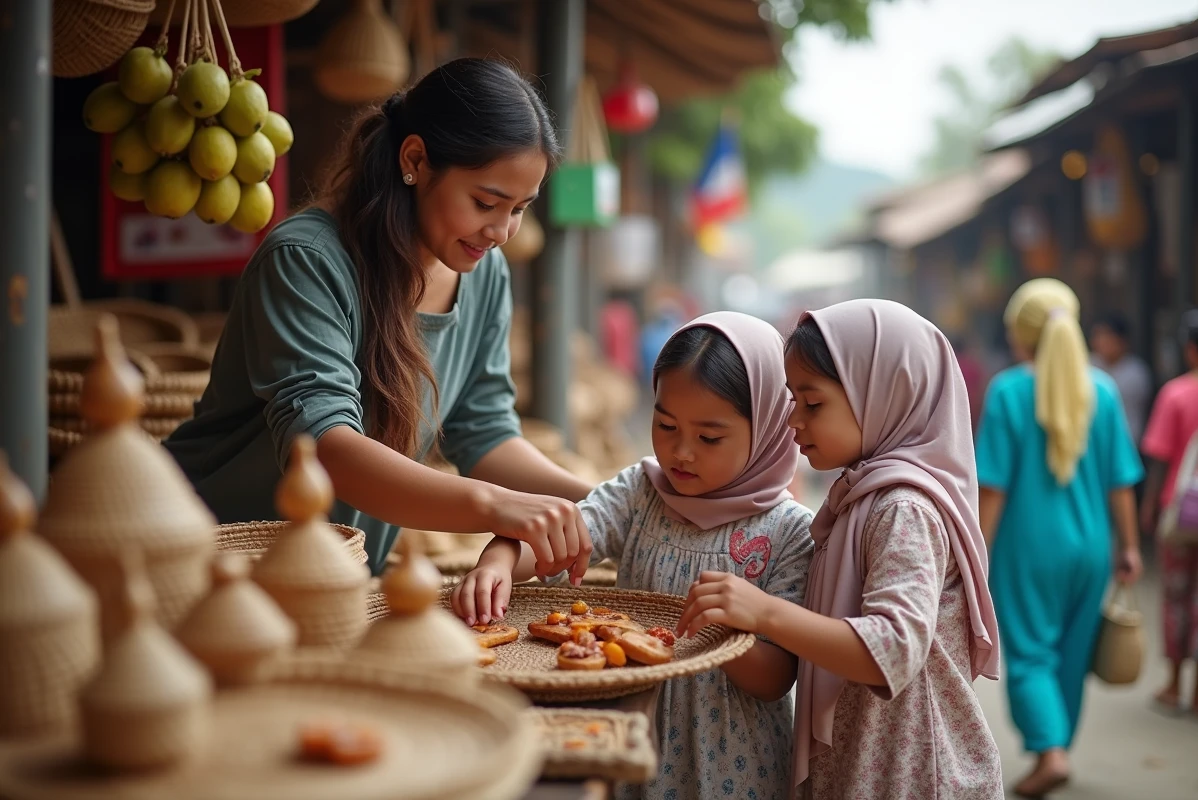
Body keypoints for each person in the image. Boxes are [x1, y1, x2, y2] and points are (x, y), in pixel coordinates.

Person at [165, 59, 594, 578]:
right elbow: (325, 450)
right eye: (485, 202)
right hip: (208, 563)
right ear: (416, 159)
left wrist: (613, 501)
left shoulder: (485, 275)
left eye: (520, 208)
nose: (502, 231)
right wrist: (497, 506)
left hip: (336, 577)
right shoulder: (306, 259)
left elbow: (484, 434)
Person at [452, 312, 815, 800]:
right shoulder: (641, 493)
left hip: (732, 758)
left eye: (709, 437)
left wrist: (726, 634)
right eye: (665, 424)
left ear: (769, 427)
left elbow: (777, 679)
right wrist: (497, 561)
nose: (681, 452)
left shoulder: (790, 531)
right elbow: (556, 535)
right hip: (634, 728)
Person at [680, 299, 1004, 800]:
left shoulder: (903, 508)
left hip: (912, 773)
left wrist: (765, 612)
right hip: (869, 768)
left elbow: (893, 649)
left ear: (886, 395)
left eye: (813, 403)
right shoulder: (860, 498)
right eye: (792, 401)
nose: (794, 421)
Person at [976, 279, 1143, 797]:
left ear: (1022, 335)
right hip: (1092, 547)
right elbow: (1120, 482)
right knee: (1071, 654)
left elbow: (994, 489)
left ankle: (1050, 753)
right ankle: (1059, 745)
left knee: (1028, 653)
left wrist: (975, 553)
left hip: (1028, 549)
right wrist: (1131, 546)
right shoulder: (1105, 392)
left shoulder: (1007, 392)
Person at [1140, 309, 1198, 716]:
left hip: (1180, 514)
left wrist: (1147, 507)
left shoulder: (1175, 394)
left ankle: (1176, 681)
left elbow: (1159, 458)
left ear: (1190, 349)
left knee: (1176, 597)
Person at [1090, 312, 1153, 443]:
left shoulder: (1136, 372)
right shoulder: (1087, 366)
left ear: (1122, 340)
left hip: (1128, 443)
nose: (1101, 341)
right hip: (1093, 443)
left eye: (1107, 336)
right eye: (1098, 336)